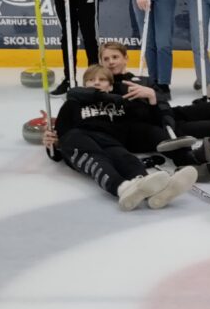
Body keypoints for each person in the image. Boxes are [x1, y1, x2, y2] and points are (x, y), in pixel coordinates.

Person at [42, 65, 198, 210]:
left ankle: (158, 192)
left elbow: (148, 119)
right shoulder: (72, 105)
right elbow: (60, 138)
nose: (96, 83)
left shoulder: (120, 104)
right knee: (88, 150)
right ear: (84, 85)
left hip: (112, 141)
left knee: (127, 159)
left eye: (102, 80)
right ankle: (122, 188)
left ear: (110, 86)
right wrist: (53, 145)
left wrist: (152, 97)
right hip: (81, 141)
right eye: (91, 80)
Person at [96, 41, 210, 178]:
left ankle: (197, 155)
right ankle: (190, 161)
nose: (111, 62)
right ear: (101, 62)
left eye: (115, 57)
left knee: (177, 123)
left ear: (125, 58)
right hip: (128, 132)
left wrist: (152, 96)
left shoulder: (144, 81)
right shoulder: (101, 84)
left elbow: (163, 106)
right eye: (106, 59)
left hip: (153, 122)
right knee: (155, 131)